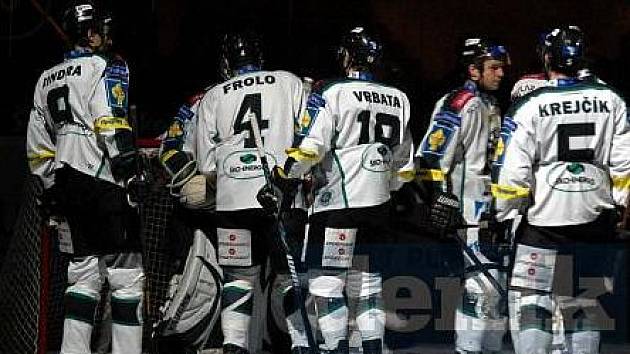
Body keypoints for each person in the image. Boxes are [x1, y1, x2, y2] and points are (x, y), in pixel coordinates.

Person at [492, 26, 630, 354]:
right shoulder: (612, 98)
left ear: (547, 57)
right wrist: (624, 207)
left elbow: (512, 173)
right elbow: (625, 166)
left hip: (544, 224)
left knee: (533, 302)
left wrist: (503, 216)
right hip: (595, 221)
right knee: (583, 303)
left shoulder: (530, 104)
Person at [276, 26, 413, 354]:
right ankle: (372, 348)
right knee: (368, 285)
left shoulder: (332, 90)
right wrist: (384, 187)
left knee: (327, 285)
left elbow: (312, 147)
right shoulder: (399, 97)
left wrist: (286, 178)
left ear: (348, 56)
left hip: (338, 203)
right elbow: (404, 166)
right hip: (379, 205)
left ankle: (335, 348)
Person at [26, 2, 143, 354]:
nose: (106, 36)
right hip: (103, 180)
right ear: (89, 34)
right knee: (127, 279)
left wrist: (51, 190)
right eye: (100, 30)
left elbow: (38, 147)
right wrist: (129, 171)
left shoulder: (44, 78)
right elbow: (108, 120)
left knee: (81, 277)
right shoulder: (106, 65)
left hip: (66, 185)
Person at [195, 30, 308, 354]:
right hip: (280, 194)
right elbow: (309, 134)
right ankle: (301, 345)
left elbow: (206, 165)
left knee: (238, 277)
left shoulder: (214, 95)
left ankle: (233, 345)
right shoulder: (288, 81)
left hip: (233, 200)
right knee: (290, 278)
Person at [415, 37, 511, 354]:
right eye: (493, 68)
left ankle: (491, 349)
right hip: (467, 211)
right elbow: (429, 156)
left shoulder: (491, 103)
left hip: (492, 211)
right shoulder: (459, 102)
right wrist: (441, 200)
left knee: (496, 291)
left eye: (501, 68)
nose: (500, 74)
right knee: (480, 288)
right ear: (473, 70)